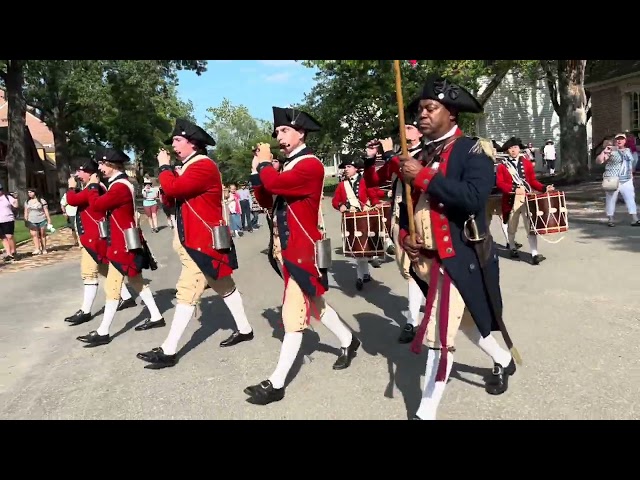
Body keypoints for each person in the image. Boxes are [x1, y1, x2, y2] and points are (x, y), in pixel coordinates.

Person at [397, 75, 517, 420]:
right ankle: (503, 360)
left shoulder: (474, 150)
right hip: (427, 260)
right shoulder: (420, 153)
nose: (421, 115)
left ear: (451, 114)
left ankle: (425, 412)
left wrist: (423, 176)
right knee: (463, 324)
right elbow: (409, 204)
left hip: (459, 257)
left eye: (430, 108)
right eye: (420, 108)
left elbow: (473, 198)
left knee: (438, 334)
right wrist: (407, 236)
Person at [246, 107, 360, 405]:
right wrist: (256, 171)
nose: (279, 138)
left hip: (303, 249)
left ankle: (276, 383)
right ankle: (349, 340)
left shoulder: (309, 165)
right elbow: (266, 198)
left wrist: (264, 167)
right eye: (278, 133)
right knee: (316, 302)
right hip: (288, 248)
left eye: (284, 131)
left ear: (301, 133)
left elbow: (274, 184)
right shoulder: (286, 166)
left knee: (292, 314)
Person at [136, 119, 254, 369]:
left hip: (203, 242)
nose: (173, 146)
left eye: (178, 141)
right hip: (196, 239)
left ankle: (169, 349)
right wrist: (170, 176)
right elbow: (169, 199)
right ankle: (245, 329)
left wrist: (164, 167)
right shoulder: (189, 167)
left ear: (193, 143)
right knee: (224, 286)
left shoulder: (203, 166)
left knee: (186, 291)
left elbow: (174, 188)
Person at [76, 148, 165, 347]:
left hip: (121, 244)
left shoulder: (119, 187)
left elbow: (97, 205)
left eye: (101, 164)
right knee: (136, 281)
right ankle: (157, 316)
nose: (99, 168)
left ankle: (103, 331)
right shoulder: (119, 184)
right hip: (125, 240)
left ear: (112, 165)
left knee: (112, 287)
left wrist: (91, 187)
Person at [363, 101, 426, 343]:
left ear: (419, 132)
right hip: (400, 219)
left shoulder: (426, 153)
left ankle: (412, 321)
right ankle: (422, 309)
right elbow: (375, 180)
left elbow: (409, 175)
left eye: (409, 127)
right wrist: (371, 159)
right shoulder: (397, 156)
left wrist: (390, 155)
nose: (405, 131)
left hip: (421, 219)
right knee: (408, 270)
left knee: (415, 271)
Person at [64, 160, 136, 326]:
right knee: (105, 268)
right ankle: (126, 297)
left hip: (93, 238)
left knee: (88, 273)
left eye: (80, 171)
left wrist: (71, 188)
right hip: (91, 237)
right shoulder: (92, 187)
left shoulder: (94, 187)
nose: (77, 175)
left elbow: (73, 200)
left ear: (89, 173)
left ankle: (86, 310)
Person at [495, 136, 554, 265]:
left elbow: (532, 181)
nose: (513, 150)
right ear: (507, 151)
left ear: (519, 149)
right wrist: (514, 189)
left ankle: (534, 254)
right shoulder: (502, 166)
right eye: (510, 148)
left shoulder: (526, 163)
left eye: (515, 147)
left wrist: (544, 188)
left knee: (530, 226)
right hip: (511, 199)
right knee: (512, 225)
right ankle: (512, 247)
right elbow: (500, 183)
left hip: (526, 198)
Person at [332, 156, 381, 290]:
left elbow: (374, 193)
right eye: (345, 167)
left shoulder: (365, 181)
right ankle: (362, 275)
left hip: (365, 216)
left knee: (364, 248)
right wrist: (340, 206)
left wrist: (375, 204)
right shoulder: (342, 184)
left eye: (348, 167)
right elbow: (335, 201)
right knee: (358, 249)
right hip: (351, 218)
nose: (346, 170)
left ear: (356, 168)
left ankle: (362, 275)